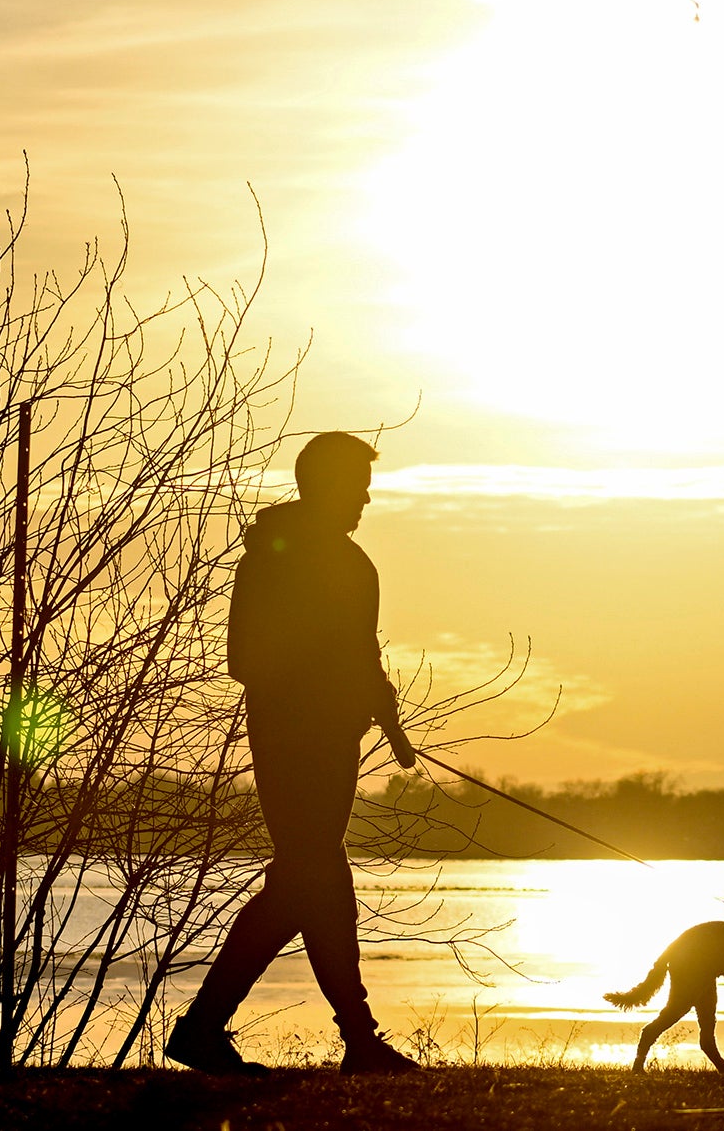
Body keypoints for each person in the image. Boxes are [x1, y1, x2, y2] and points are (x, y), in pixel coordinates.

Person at [167, 430, 422, 1073]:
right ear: (323, 485)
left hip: (334, 744)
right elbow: (246, 659)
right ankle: (355, 1038)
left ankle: (217, 1031)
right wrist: (329, 691)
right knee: (317, 878)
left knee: (305, 884)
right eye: (356, 486)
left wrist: (386, 717)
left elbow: (362, 655)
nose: (365, 499)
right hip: (288, 743)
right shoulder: (272, 559)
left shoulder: (354, 564)